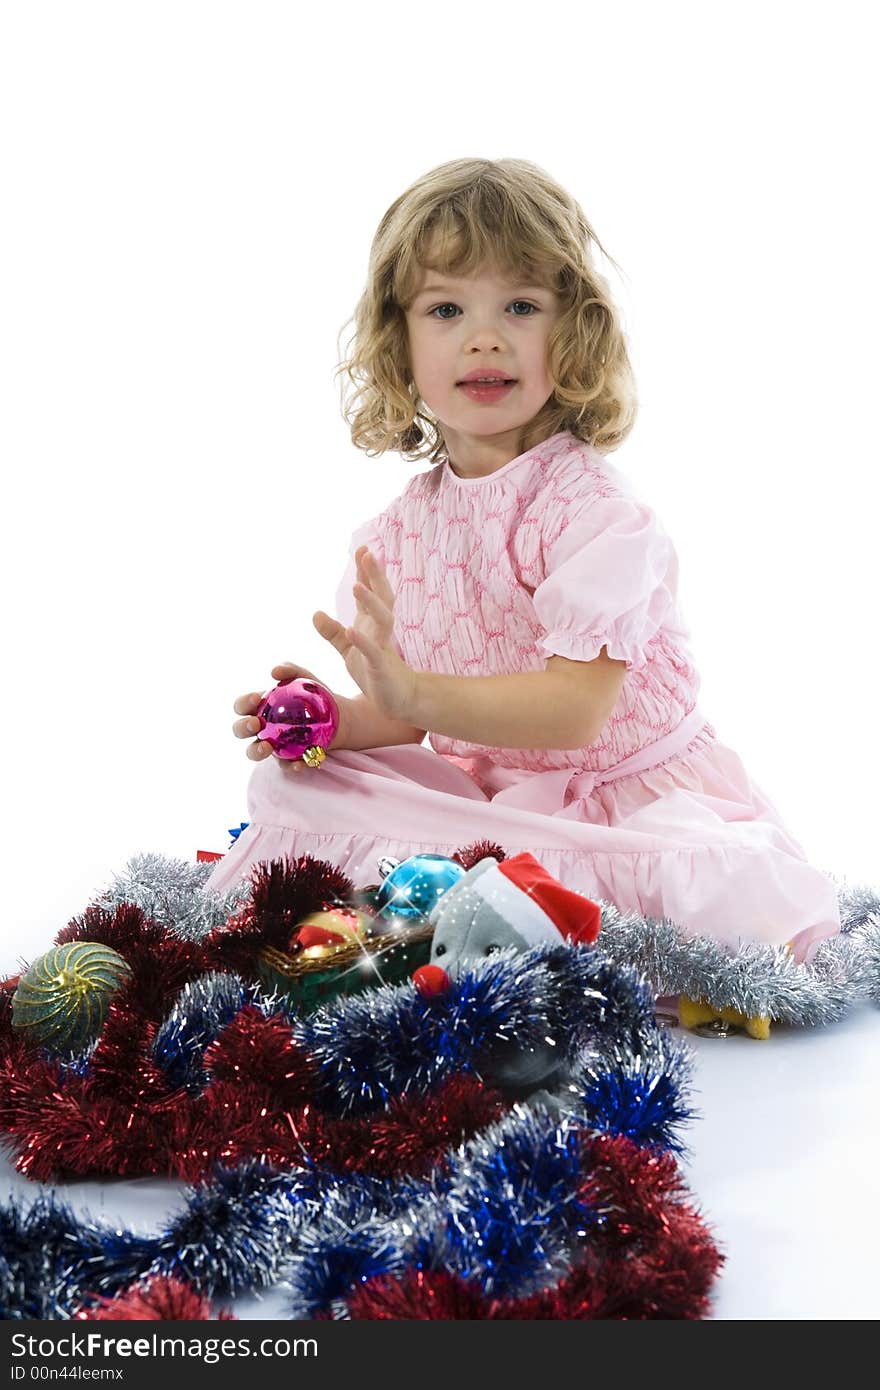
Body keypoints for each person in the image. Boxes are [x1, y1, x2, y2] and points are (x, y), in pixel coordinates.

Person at [203, 156, 840, 994]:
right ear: (399, 344)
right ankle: (455, 917)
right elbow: (409, 722)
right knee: (292, 785)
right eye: (446, 308)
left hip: (627, 798)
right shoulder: (396, 534)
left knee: (706, 886)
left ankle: (494, 925)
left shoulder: (593, 513)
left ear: (571, 332)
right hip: (498, 795)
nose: (485, 336)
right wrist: (342, 723)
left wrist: (413, 694)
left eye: (520, 306)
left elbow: (574, 713)